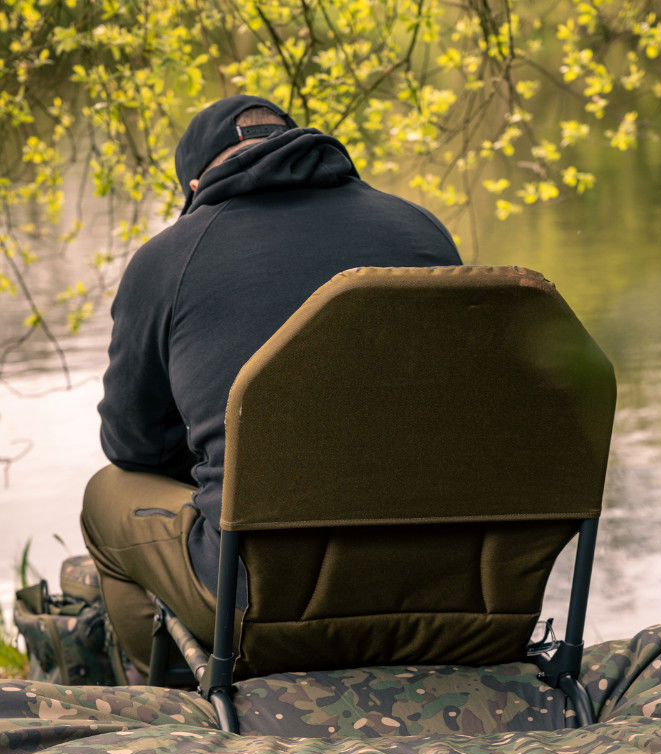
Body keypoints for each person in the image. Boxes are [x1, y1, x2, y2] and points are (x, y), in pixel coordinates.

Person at [81, 94, 462, 678]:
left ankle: (175, 695)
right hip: (456, 589)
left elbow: (132, 447)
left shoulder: (168, 258)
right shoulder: (420, 230)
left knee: (105, 495)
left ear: (193, 185)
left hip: (265, 607)